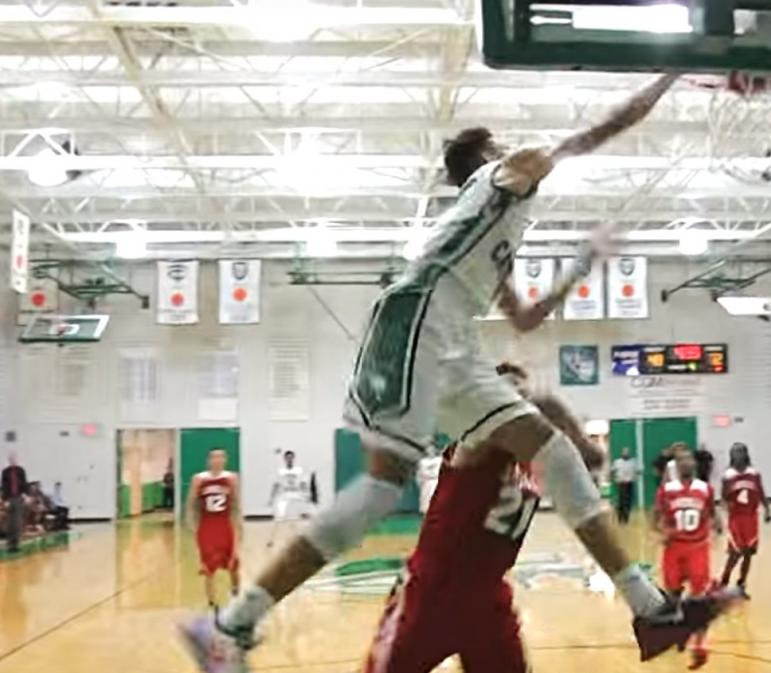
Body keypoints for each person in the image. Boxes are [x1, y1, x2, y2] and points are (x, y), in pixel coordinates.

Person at [182, 73, 732, 672]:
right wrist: (675, 73)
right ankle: (229, 626)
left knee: (555, 453)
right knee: (380, 488)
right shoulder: (500, 176)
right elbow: (599, 129)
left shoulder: (491, 231)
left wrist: (582, 265)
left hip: (454, 340)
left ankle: (650, 610)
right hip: (418, 315)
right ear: (490, 157)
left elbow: (524, 318)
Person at [367, 364, 605, 672]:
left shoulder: (537, 453)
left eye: (522, 391)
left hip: (487, 597)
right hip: (429, 595)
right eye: (508, 390)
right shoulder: (474, 441)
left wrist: (553, 411)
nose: (518, 398)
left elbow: (593, 459)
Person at [652, 445, 720, 670]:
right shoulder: (667, 490)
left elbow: (712, 512)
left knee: (699, 598)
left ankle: (700, 644)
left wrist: (718, 526)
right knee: (672, 597)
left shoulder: (705, 489)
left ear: (695, 464)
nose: (686, 464)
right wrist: (661, 532)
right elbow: (655, 515)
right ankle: (678, 633)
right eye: (681, 461)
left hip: (697, 547)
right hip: (673, 548)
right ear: (676, 466)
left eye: (689, 460)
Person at [187, 448, 242, 608]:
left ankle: (236, 593)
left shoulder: (231, 478)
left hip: (225, 524)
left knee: (233, 563)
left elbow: (235, 504)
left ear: (225, 460)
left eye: (221, 457)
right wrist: (192, 522)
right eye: (214, 457)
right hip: (207, 525)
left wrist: (239, 525)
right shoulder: (198, 479)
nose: (217, 460)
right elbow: (191, 502)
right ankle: (212, 601)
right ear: (209, 460)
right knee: (208, 565)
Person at [719, 443, 771, 597]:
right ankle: (724, 581)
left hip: (751, 517)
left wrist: (767, 509)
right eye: (734, 452)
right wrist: (725, 506)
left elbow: (761, 492)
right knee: (735, 553)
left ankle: (741, 584)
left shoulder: (754, 473)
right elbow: (723, 497)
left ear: (746, 454)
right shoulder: (727, 475)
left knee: (748, 553)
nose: (738, 455)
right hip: (736, 518)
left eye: (740, 452)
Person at [267, 450, 311, 548]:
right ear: (285, 459)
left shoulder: (299, 470)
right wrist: (271, 498)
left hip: (295, 495)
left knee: (294, 519)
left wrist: (306, 494)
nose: (289, 459)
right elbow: (276, 485)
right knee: (279, 517)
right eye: (288, 457)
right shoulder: (280, 471)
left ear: (293, 458)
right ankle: (271, 540)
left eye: (291, 457)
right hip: (284, 495)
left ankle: (298, 541)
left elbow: (303, 484)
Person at [2, 453, 29, 553]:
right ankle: (10, 545)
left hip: (18, 498)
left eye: (14, 459)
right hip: (9, 498)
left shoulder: (21, 470)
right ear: (9, 460)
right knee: (10, 523)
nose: (13, 460)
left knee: (17, 523)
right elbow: (4, 486)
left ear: (17, 460)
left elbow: (25, 483)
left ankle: (17, 544)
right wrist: (5, 500)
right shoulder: (5, 472)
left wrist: (26, 495)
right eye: (11, 459)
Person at [611, 448, 639, 524]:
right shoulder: (617, 462)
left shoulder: (633, 462)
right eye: (624, 453)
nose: (626, 454)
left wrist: (634, 476)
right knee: (621, 502)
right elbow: (612, 471)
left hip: (630, 483)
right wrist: (615, 479)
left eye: (627, 453)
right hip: (621, 483)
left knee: (628, 502)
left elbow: (638, 471)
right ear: (622, 454)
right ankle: (620, 518)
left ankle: (626, 519)